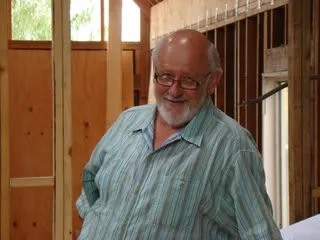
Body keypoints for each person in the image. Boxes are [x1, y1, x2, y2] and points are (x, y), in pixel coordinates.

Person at [76, 29, 281, 239]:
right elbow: (91, 191)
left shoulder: (233, 147)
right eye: (165, 76)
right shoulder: (128, 121)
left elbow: (261, 235)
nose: (174, 91)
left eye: (188, 80)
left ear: (213, 81)